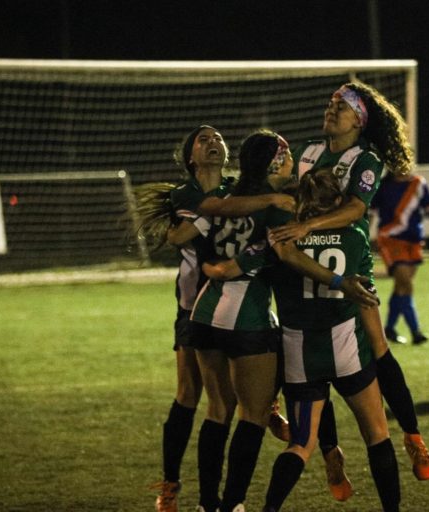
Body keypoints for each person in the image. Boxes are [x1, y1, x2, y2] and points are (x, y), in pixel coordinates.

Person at [191, 130, 377, 512]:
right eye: (288, 156)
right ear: (275, 162)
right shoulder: (282, 208)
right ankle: (234, 504)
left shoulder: (228, 196)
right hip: (247, 316)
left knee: (217, 411)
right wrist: (340, 281)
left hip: (204, 314)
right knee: (256, 413)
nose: (295, 161)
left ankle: (208, 504)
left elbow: (203, 229)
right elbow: (283, 252)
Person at [270, 81, 429, 482]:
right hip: (304, 260)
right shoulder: (309, 151)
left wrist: (308, 223)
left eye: (340, 107)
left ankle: (412, 436)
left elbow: (356, 209)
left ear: (359, 120)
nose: (330, 110)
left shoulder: (365, 158)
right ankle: (330, 453)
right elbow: (290, 192)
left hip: (348, 259)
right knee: (309, 360)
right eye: (329, 104)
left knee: (378, 348)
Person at [137, 125, 294, 512]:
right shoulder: (187, 194)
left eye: (219, 138)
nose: (213, 142)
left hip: (212, 308)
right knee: (193, 396)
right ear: (190, 156)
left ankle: (213, 500)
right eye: (203, 139)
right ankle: (177, 486)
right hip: (198, 307)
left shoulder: (232, 191)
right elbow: (197, 225)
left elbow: (225, 212)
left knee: (222, 403)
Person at [370, 168, 429, 345]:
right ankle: (416, 332)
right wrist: (365, 236)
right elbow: (370, 212)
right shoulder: (383, 186)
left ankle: (390, 329)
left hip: (414, 241)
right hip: (390, 239)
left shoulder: (418, 183)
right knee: (406, 284)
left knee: (401, 287)